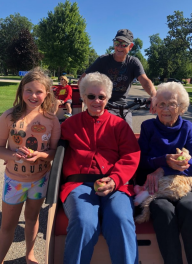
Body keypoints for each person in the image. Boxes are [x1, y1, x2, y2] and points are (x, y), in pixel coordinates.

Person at [60, 72, 140, 264]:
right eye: (91, 96)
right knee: (84, 221)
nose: (96, 101)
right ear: (83, 97)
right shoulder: (69, 124)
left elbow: (131, 156)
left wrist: (114, 179)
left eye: (101, 97)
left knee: (121, 219)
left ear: (108, 98)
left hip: (115, 183)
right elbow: (50, 146)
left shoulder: (119, 126)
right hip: (78, 184)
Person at [0, 68, 60, 264]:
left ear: (47, 93)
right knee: (7, 225)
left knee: (32, 219)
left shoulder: (52, 121)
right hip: (14, 182)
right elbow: (0, 148)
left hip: (39, 181)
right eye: (28, 90)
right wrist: (13, 154)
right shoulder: (9, 117)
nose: (33, 96)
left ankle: (30, 255)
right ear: (21, 91)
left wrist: (40, 155)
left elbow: (53, 153)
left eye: (39, 91)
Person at [137, 82, 192, 264]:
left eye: (172, 104)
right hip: (155, 188)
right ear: (155, 106)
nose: (166, 109)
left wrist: (164, 169)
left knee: (191, 208)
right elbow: (140, 161)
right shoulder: (148, 127)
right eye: (161, 104)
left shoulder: (187, 127)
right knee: (163, 210)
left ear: (181, 107)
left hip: (180, 185)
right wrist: (164, 159)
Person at [78, 29, 157, 127]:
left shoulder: (133, 62)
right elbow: (82, 79)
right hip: (103, 103)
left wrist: (154, 95)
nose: (119, 47)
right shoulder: (103, 60)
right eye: (116, 43)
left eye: (124, 44)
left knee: (128, 133)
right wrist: (85, 98)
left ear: (130, 46)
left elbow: (144, 81)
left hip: (123, 106)